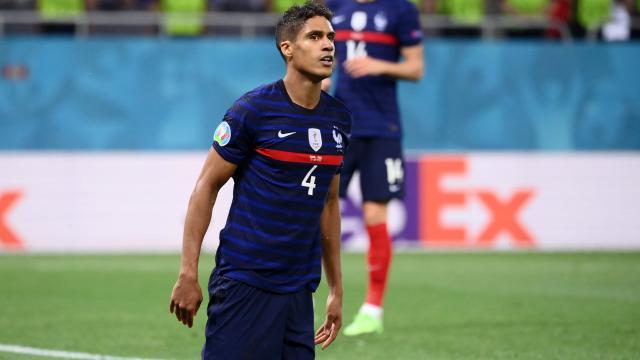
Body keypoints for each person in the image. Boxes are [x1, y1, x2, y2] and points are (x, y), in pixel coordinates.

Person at [169, 2, 351, 359]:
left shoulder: (339, 119)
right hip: (244, 284)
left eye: (330, 37)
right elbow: (205, 187)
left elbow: (329, 204)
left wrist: (336, 289)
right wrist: (188, 272)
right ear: (288, 48)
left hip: (299, 291)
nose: (328, 45)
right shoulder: (252, 110)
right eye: (314, 37)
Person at [324, 0, 424, 336]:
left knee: (374, 215)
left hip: (382, 129)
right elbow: (325, 58)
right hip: (340, 126)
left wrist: (378, 65)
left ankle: (372, 310)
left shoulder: (400, 10)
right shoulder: (335, 6)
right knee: (318, 209)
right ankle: (307, 297)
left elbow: (415, 68)